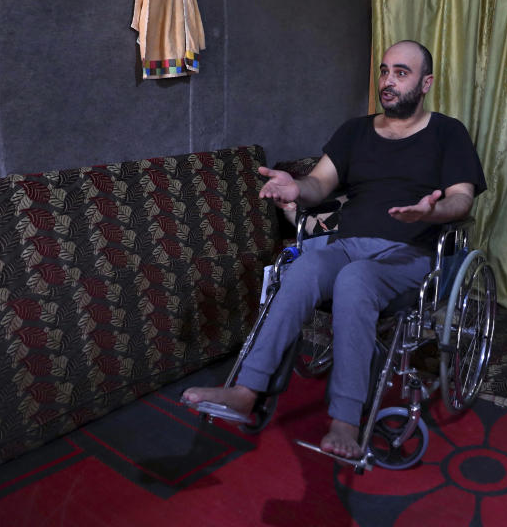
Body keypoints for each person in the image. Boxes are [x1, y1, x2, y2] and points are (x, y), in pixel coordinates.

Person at [181, 40, 487, 459]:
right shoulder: (354, 131)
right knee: (303, 269)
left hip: (410, 253)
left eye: (401, 73)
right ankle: (245, 390)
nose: (388, 81)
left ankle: (344, 420)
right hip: (347, 244)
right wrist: (296, 186)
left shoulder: (447, 132)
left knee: (356, 280)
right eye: (384, 71)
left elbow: (462, 199)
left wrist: (431, 212)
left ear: (426, 83)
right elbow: (319, 184)